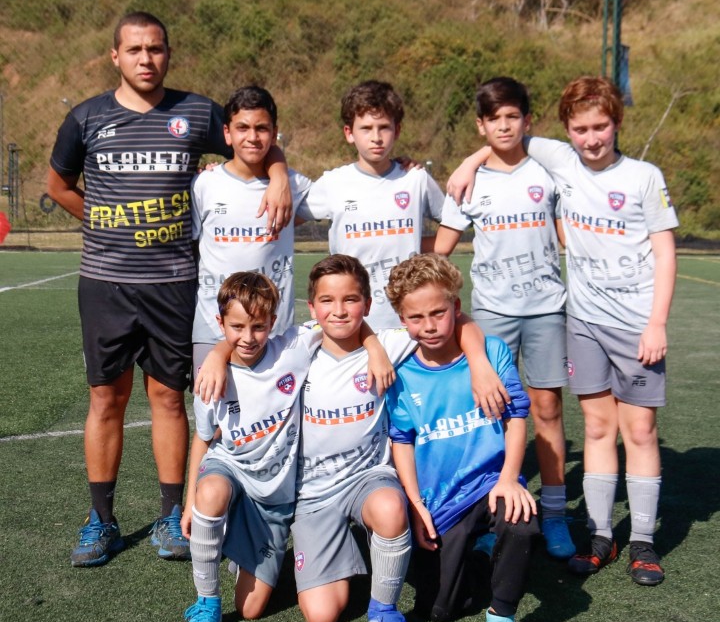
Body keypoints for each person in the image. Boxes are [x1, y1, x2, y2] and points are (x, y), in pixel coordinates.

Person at [46, 11, 292, 567]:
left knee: (166, 398)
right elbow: (57, 185)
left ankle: (168, 514)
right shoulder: (86, 118)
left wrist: (278, 174)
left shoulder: (197, 112)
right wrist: (101, 221)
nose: (145, 59)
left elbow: (251, 141)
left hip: (174, 283)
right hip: (107, 282)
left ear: (168, 54)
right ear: (115, 56)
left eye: (155, 49)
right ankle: (101, 519)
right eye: (134, 50)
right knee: (106, 399)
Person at [448, 76, 678, 586]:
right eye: (581, 129)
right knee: (596, 427)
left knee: (640, 430)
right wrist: (470, 161)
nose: (591, 138)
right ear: (567, 131)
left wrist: (657, 323)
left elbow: (665, 252)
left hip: (636, 324)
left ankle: (643, 540)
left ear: (617, 123)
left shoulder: (643, 176)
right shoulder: (561, 159)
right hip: (585, 321)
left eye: (601, 126)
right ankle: (600, 535)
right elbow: (506, 137)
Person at [292, 254, 496, 622]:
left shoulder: (391, 342)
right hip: (314, 491)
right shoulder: (299, 347)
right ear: (312, 308)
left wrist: (479, 362)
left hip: (368, 477)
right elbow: (246, 343)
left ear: (367, 305)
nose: (339, 310)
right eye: (328, 301)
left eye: (351, 300)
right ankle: (343, 548)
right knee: (321, 615)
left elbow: (461, 320)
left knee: (389, 506)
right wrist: (215, 355)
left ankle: (383, 609)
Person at [178, 271, 392, 622]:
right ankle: (206, 603)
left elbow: (343, 321)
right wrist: (190, 500)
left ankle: (252, 547)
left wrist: (374, 347)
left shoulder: (293, 347)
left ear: (273, 323)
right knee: (209, 493)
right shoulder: (211, 377)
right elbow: (204, 439)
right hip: (232, 471)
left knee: (250, 609)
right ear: (220, 323)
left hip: (275, 500)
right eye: (237, 327)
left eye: (258, 327)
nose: (248, 337)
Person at [434, 77, 574, 560]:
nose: (505, 126)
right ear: (481, 125)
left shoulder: (549, 171)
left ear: (527, 120)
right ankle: (494, 513)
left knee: (547, 409)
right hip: (493, 311)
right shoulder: (468, 182)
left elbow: (569, 236)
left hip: (546, 309)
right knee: (491, 410)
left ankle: (554, 514)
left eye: (513, 116)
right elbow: (441, 250)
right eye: (495, 119)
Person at [384, 253, 538, 622]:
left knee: (520, 522)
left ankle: (502, 618)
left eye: (438, 313)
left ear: (456, 307)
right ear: (401, 319)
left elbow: (516, 418)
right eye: (416, 317)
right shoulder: (402, 373)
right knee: (439, 609)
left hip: (491, 483)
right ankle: (484, 551)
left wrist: (510, 478)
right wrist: (415, 504)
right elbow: (402, 440)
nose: (429, 326)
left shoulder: (490, 352)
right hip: (441, 498)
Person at [303, 80, 445, 329]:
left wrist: (416, 247)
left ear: (397, 130)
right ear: (349, 133)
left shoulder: (415, 178)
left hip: (407, 320)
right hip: (352, 319)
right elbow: (285, 218)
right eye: (366, 128)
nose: (376, 137)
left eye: (384, 128)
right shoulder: (333, 183)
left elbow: (452, 222)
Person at [192, 85, 312, 373]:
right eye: (242, 128)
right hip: (212, 328)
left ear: (274, 132)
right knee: (211, 401)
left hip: (273, 330)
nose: (252, 137)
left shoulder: (293, 185)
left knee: (277, 404)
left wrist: (279, 175)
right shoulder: (204, 184)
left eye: (261, 128)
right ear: (227, 133)